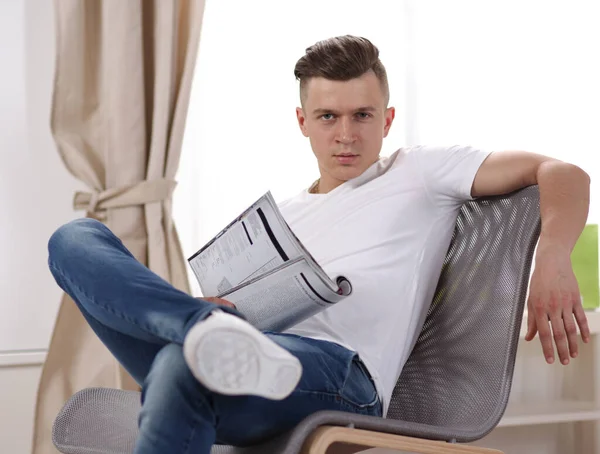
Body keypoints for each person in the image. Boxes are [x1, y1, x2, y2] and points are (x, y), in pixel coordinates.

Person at [48, 35, 591, 454]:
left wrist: (553, 255)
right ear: (303, 122)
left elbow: (561, 172)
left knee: (178, 366)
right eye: (328, 117)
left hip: (340, 373)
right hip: (248, 359)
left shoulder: (420, 171)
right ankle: (200, 331)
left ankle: (199, 337)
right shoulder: (280, 217)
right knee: (74, 239)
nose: (347, 134)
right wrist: (221, 316)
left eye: (363, 115)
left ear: (388, 120)